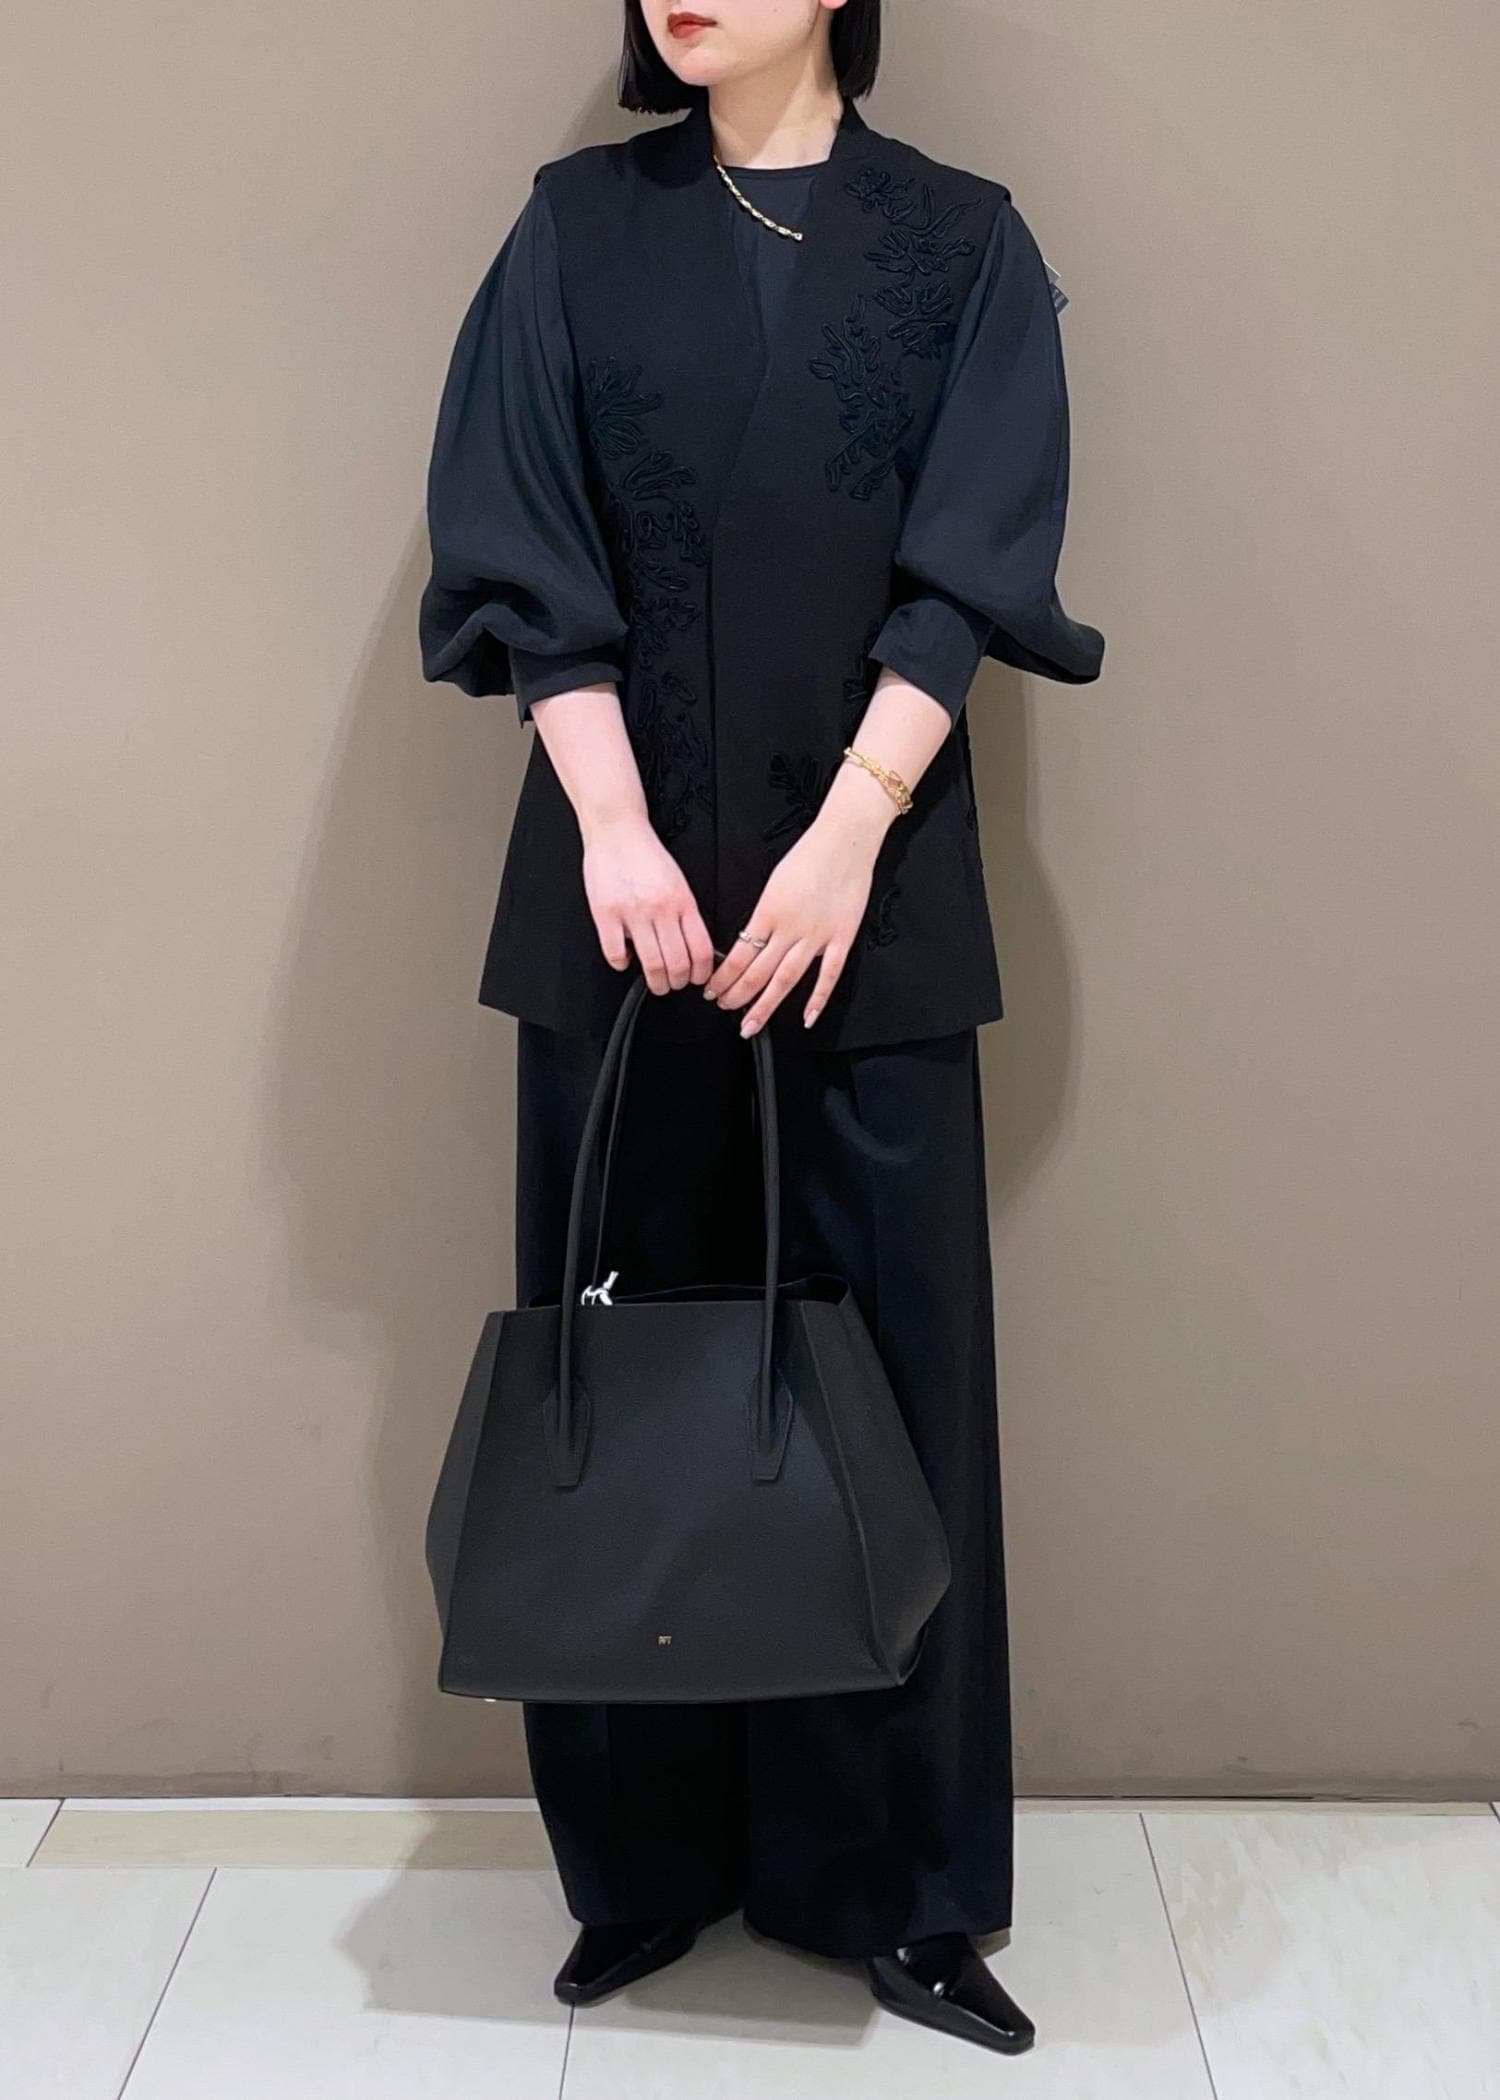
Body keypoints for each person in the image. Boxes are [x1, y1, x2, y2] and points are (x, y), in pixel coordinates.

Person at [419, 0, 1103, 2058]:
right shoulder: (571, 230)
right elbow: (519, 544)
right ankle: (642, 1868)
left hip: (865, 908)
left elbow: (971, 569)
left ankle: (901, 1890)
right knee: (623, 1377)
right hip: (619, 913)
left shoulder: (964, 244)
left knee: (897, 1393)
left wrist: (846, 841)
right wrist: (617, 832)